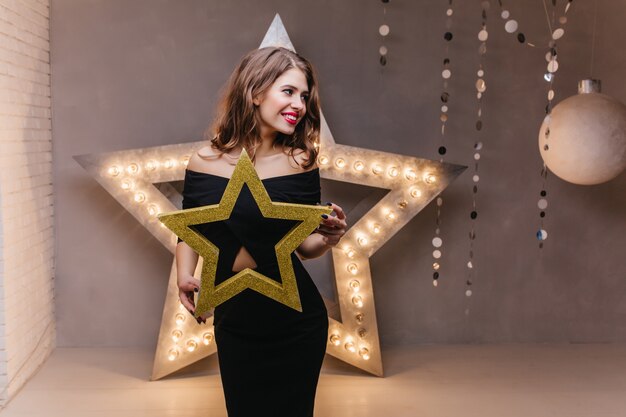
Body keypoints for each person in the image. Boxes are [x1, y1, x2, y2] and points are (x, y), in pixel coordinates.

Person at [175, 46, 348, 417]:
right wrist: (183, 275)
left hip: (297, 321)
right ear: (256, 92)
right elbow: (190, 227)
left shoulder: (301, 162)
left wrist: (330, 238)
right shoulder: (203, 160)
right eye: (288, 92)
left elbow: (303, 247)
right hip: (236, 319)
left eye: (304, 96)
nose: (299, 104)